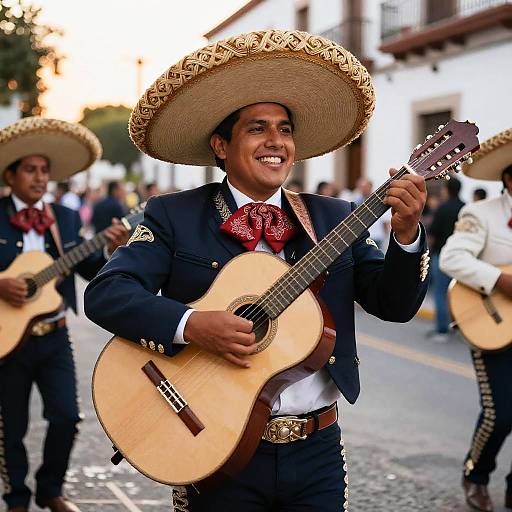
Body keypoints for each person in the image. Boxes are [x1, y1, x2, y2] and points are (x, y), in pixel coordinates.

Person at [84, 29, 430, 511]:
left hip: (317, 448)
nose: (276, 142)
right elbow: (107, 293)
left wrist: (407, 234)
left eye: (285, 129)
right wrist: (192, 326)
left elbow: (394, 306)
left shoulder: (334, 219)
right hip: (213, 442)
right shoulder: (173, 215)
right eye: (258, 128)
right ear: (221, 145)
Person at [0, 117, 130, 512]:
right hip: (7, 341)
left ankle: (50, 488)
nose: (40, 179)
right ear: (11, 174)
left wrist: (110, 249)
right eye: (30, 170)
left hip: (55, 335)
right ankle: (17, 497)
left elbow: (89, 268)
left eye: (45, 171)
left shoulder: (67, 218)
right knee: (12, 428)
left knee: (67, 416)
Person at [440, 128, 512, 512]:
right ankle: (476, 474)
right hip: (492, 325)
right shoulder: (480, 213)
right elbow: (451, 259)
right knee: (501, 414)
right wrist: (499, 279)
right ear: (509, 179)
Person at [426, 177, 464, 342]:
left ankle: (442, 330)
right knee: (457, 293)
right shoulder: (465, 208)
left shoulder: (442, 208)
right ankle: (456, 325)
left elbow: (433, 233)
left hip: (441, 255)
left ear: (446, 189)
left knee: (440, 292)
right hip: (462, 256)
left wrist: (428, 251)